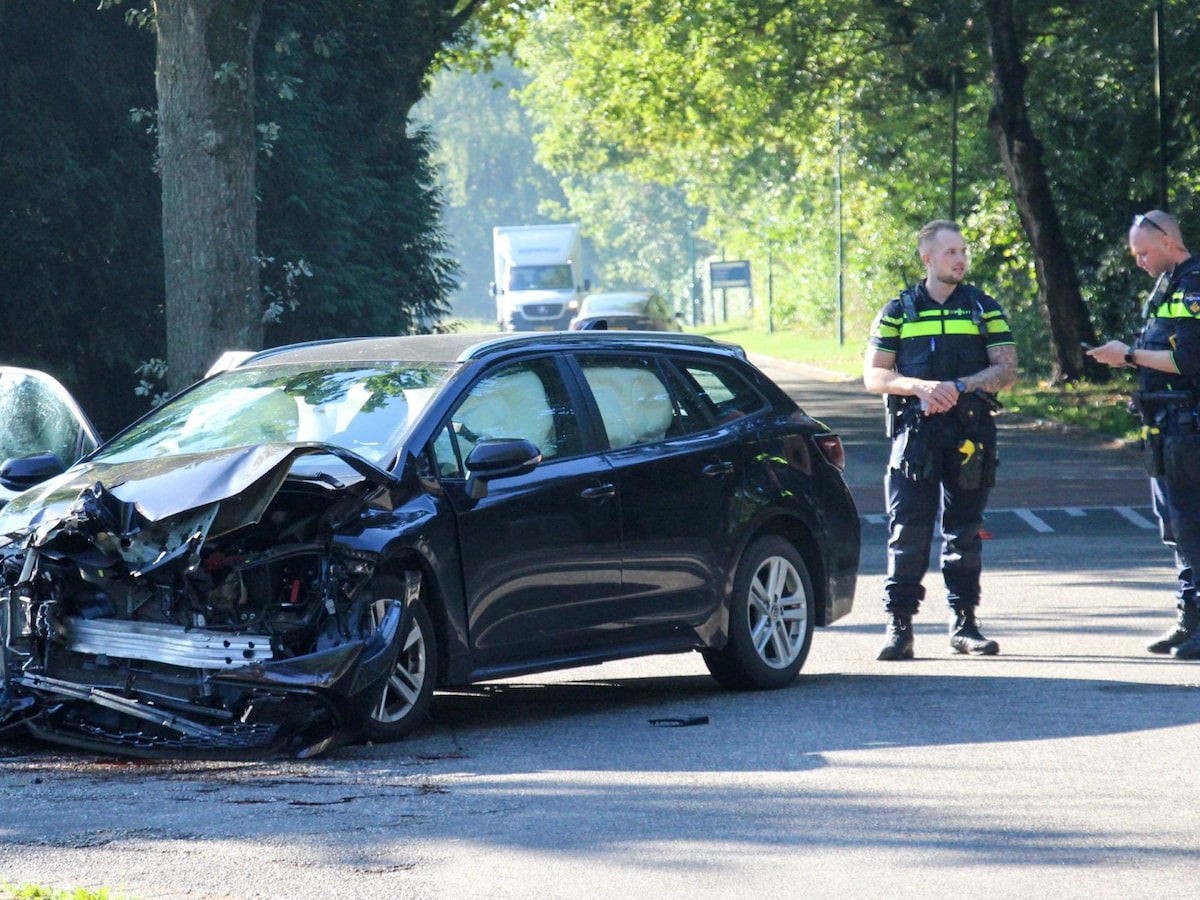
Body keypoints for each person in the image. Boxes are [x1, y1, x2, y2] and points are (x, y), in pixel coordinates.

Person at [864, 220, 1019, 660]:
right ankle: (899, 627)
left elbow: (1007, 369)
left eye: (963, 251)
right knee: (907, 532)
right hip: (916, 437)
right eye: (951, 252)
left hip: (971, 435)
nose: (961, 259)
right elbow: (873, 375)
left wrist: (961, 384)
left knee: (964, 533)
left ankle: (964, 624)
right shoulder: (898, 310)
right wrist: (920, 387)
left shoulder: (983, 307)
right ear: (927, 259)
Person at [1086, 210, 1200, 659]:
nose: (1138, 261)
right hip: (1163, 427)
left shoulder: (1194, 285)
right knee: (1176, 529)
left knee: (1193, 526)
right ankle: (1189, 619)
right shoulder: (1165, 286)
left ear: (1169, 243)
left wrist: (1129, 356)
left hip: (1188, 424)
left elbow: (1190, 361)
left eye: (1143, 252)